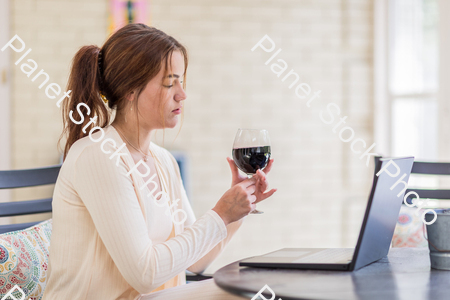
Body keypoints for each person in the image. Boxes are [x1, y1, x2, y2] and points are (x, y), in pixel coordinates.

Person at [42, 23, 276, 300]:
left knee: (258, 289)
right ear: (130, 89)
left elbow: (196, 261)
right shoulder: (99, 156)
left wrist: (237, 211)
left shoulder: (164, 162)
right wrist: (221, 213)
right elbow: (145, 274)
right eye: (169, 82)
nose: (182, 94)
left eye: (181, 81)